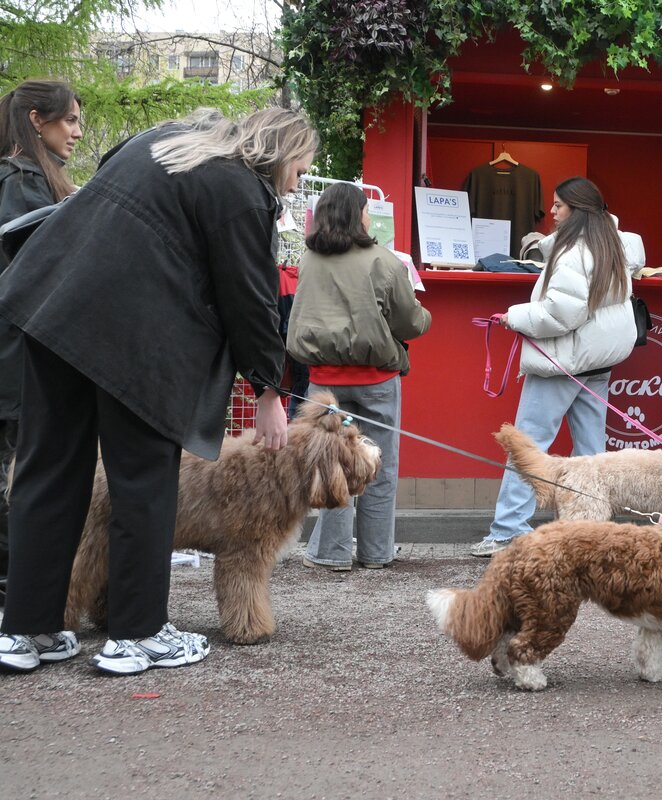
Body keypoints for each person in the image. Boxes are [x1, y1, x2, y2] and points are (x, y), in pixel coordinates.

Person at [0, 107, 318, 675]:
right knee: (143, 480)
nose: (296, 184)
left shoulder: (165, 141)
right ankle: (138, 634)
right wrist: (269, 391)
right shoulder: (242, 190)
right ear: (281, 155)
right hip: (138, 338)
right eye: (300, 170)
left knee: (48, 469)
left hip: (54, 303)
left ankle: (27, 629)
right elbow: (251, 298)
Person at [471, 176, 635, 557]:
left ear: (577, 210)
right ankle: (592, 530)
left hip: (562, 362)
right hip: (597, 362)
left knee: (527, 446)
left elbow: (561, 314)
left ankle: (508, 529)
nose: (552, 211)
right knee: (592, 453)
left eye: (559, 205)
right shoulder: (612, 243)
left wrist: (513, 317)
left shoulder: (574, 252)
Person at [286, 182, 431, 570]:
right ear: (357, 215)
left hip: (323, 382)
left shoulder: (309, 260)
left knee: (330, 465)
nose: (369, 216)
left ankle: (330, 553)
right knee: (380, 465)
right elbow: (411, 322)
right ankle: (376, 552)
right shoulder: (384, 260)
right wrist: (424, 315)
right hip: (376, 379)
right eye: (367, 209)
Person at [0, 79, 83, 610]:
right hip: (17, 358)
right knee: (19, 478)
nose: (77, 132)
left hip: (17, 355)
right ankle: (18, 598)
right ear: (37, 119)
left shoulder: (26, 178)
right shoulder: (21, 181)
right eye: (69, 119)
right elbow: (39, 273)